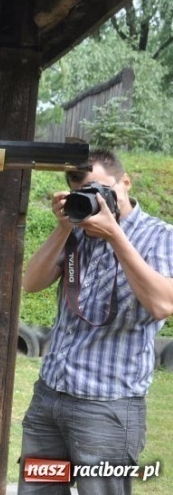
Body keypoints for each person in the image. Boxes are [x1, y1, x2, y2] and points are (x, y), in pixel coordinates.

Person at [18, 148, 173, 494]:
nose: (95, 202)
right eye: (83, 194)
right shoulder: (76, 233)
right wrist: (63, 227)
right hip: (49, 401)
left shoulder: (160, 236)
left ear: (125, 182)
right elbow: (32, 282)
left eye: (99, 190)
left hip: (107, 409)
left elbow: (162, 304)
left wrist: (116, 236)